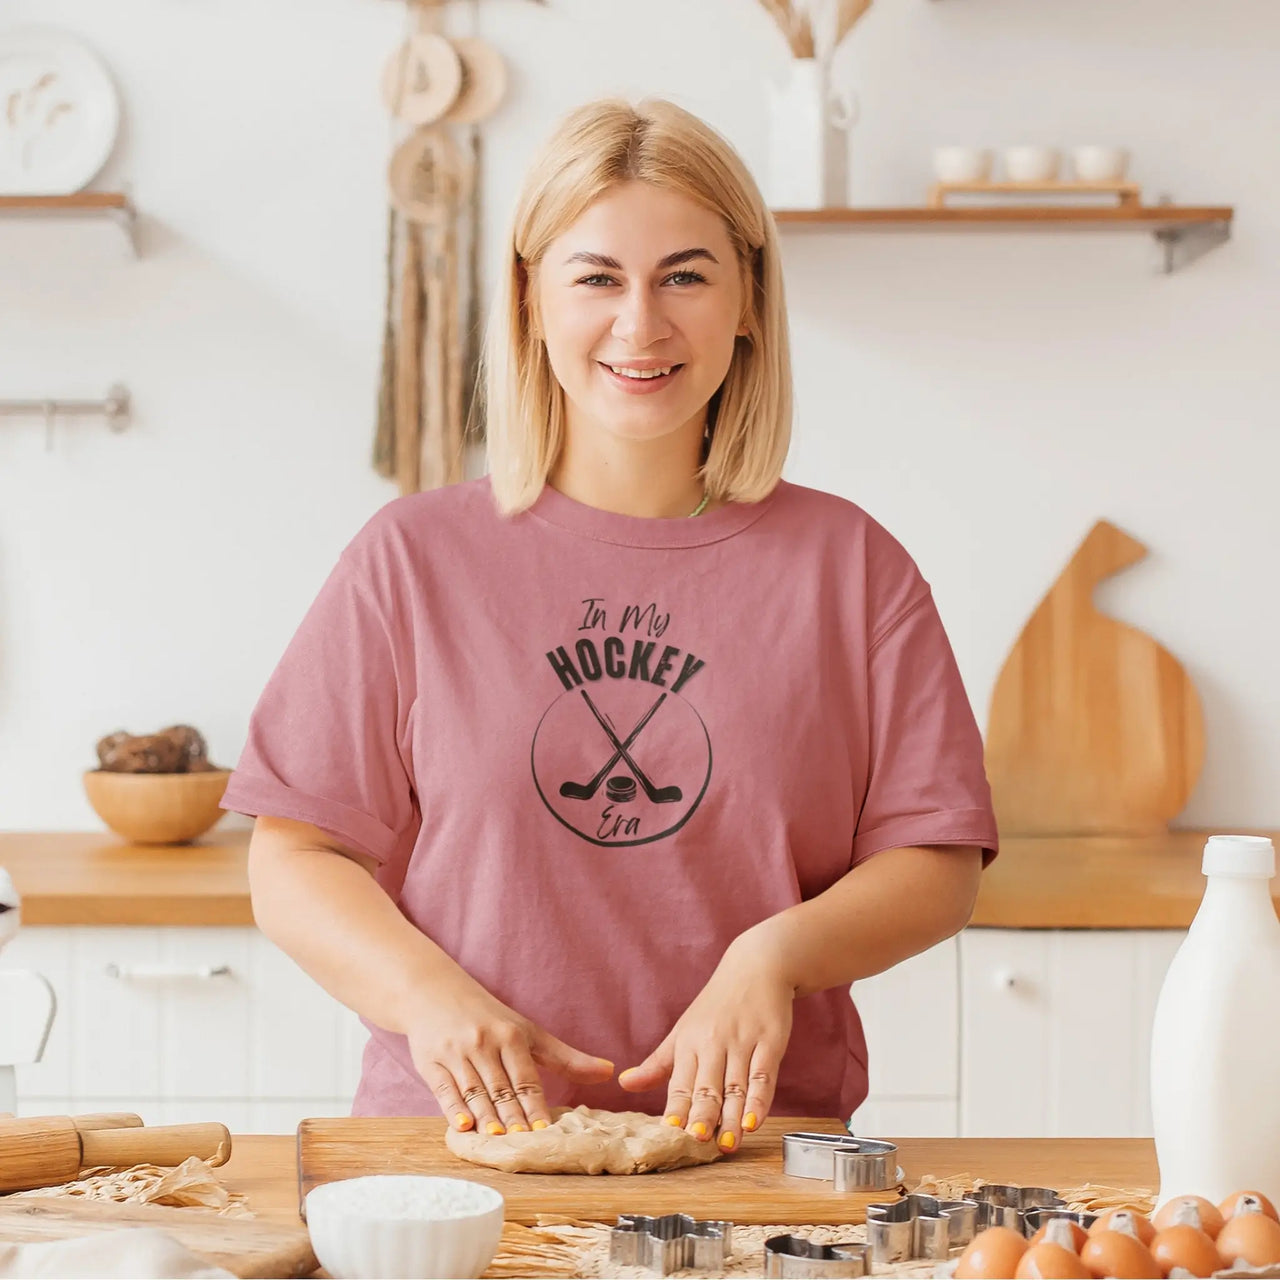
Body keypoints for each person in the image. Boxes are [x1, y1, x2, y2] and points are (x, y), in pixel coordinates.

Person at [221, 96, 998, 1154]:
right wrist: (427, 993)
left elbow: (934, 859)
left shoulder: (850, 567)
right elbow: (293, 856)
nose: (640, 324)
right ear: (531, 299)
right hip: (455, 1155)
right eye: (596, 277)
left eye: (684, 273)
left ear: (747, 303)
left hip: (759, 1156)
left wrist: (773, 955)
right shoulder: (411, 560)